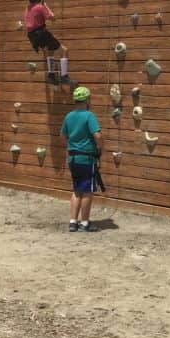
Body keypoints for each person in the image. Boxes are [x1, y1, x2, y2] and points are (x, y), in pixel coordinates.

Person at [60, 86, 103, 233]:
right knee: (87, 192)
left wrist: (72, 146)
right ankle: (85, 223)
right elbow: (97, 135)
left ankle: (73, 222)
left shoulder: (69, 116)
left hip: (72, 158)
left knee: (77, 190)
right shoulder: (89, 116)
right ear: (87, 100)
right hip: (86, 159)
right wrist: (99, 150)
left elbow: (63, 136)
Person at [23, 0, 70, 83]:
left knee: (50, 51)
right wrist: (45, 6)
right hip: (42, 34)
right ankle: (64, 76)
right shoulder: (39, 7)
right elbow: (53, 18)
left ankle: (51, 75)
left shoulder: (27, 9)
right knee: (64, 50)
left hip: (33, 37)